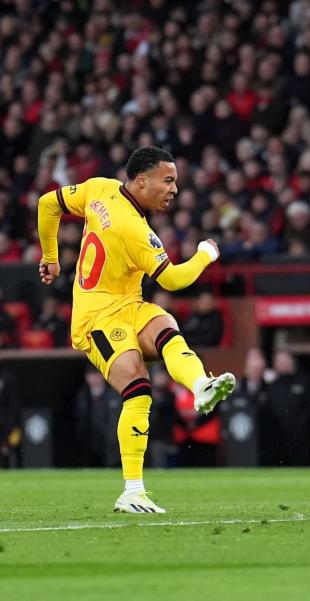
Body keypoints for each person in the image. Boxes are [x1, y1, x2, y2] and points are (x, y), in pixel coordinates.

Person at [36, 146, 236, 513]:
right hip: (97, 318)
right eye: (168, 180)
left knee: (166, 327)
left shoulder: (99, 188)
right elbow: (174, 279)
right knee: (138, 390)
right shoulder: (136, 230)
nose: (175, 189)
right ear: (142, 180)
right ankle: (132, 490)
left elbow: (48, 203)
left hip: (128, 304)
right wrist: (206, 254)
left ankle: (199, 386)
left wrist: (50, 257)